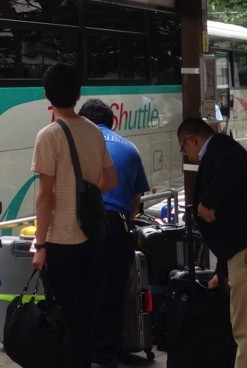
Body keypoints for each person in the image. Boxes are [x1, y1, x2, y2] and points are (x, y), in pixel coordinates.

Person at [177, 117, 247, 368]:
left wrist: (208, 202)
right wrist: (222, 270)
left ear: (192, 139)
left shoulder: (219, 147)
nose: (189, 156)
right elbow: (236, 219)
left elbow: (232, 167)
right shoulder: (223, 148)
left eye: (185, 149)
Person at [30, 64, 117, 368]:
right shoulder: (94, 131)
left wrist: (40, 245)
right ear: (79, 94)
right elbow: (110, 179)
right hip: (91, 238)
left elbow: (44, 195)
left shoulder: (49, 135)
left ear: (47, 95)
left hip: (61, 242)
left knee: (64, 316)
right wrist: (87, 198)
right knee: (85, 313)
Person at [77, 99, 150, 368]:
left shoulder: (82, 145)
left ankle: (88, 350)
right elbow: (136, 199)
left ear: (84, 122)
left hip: (85, 226)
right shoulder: (130, 148)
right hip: (118, 226)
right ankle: (109, 351)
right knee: (113, 290)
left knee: (86, 288)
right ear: (113, 122)